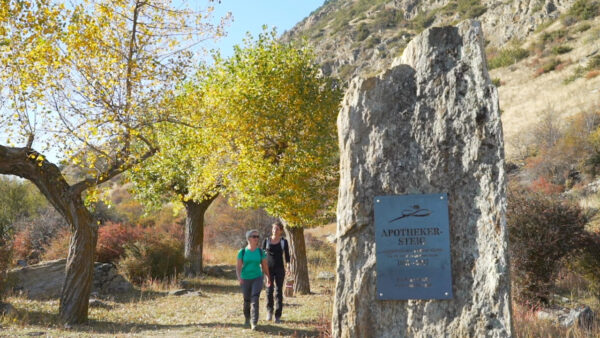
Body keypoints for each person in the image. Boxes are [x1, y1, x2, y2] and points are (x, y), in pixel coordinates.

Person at [237, 229, 271, 330]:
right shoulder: (242, 252)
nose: (256, 238)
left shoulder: (260, 252)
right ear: (248, 239)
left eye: (257, 236)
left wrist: (268, 277)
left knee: (255, 299)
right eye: (254, 236)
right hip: (245, 278)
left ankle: (254, 322)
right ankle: (247, 318)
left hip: (257, 277)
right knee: (247, 300)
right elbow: (238, 267)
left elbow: (265, 266)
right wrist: (239, 278)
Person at [262, 221, 290, 323]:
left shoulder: (284, 242)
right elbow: (262, 255)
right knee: (269, 290)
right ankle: (269, 312)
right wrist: (262, 266)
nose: (274, 230)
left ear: (281, 231)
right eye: (273, 228)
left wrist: (288, 267)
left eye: (277, 229)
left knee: (278, 292)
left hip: (279, 269)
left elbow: (287, 256)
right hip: (268, 269)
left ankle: (278, 315)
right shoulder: (266, 241)